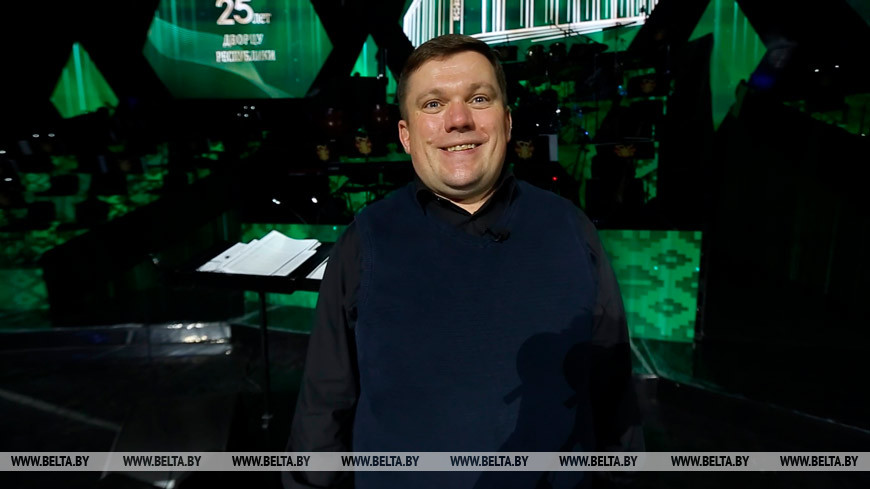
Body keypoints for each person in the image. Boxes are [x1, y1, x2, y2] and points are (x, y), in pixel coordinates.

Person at [285, 34, 642, 489]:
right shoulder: (365, 240)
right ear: (406, 135)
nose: (458, 120)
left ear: (507, 122)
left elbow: (613, 392)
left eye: (478, 98)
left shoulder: (571, 229)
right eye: (433, 104)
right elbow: (324, 400)